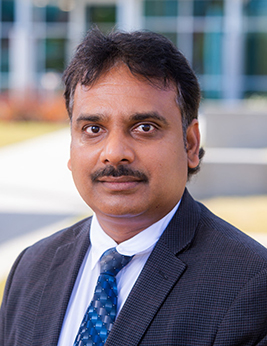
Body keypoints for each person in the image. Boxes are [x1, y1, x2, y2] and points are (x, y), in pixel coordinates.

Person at [1, 28, 267, 346]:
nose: (114, 152)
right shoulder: (32, 267)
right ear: (71, 146)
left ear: (190, 144)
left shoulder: (251, 285)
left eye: (144, 127)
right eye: (93, 128)